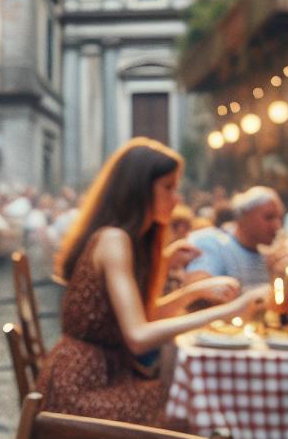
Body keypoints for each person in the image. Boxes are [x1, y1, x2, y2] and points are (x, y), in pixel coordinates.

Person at [41, 139, 266, 424]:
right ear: (139, 189)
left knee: (219, 407)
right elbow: (138, 337)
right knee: (221, 411)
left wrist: (190, 292)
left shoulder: (127, 238)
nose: (178, 198)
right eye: (168, 187)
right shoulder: (114, 239)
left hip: (106, 378)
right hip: (81, 391)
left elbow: (144, 316)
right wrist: (233, 309)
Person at [184, 186, 287, 291]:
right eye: (269, 217)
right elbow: (195, 293)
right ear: (244, 215)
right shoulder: (214, 245)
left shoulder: (268, 258)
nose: (276, 225)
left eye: (279, 218)